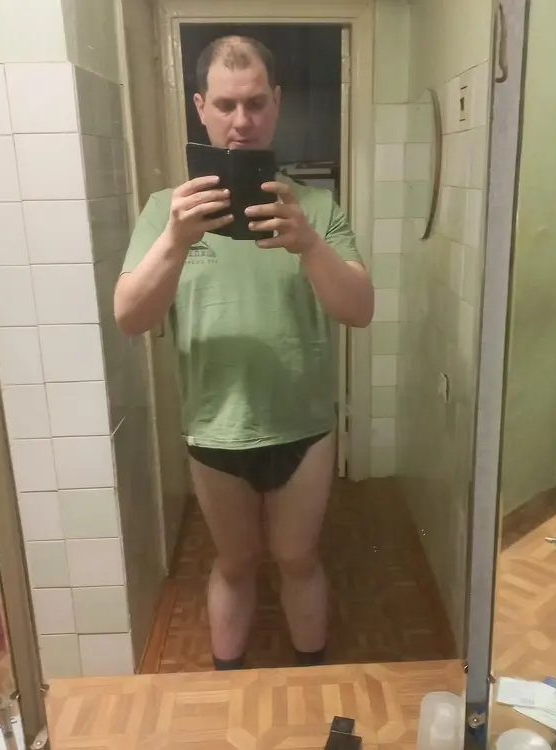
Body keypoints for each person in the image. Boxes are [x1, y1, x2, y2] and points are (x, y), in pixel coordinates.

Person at [114, 35, 374, 669]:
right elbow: (130, 317)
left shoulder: (314, 207)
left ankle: (311, 681)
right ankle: (227, 683)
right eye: (226, 104)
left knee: (298, 558)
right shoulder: (165, 212)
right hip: (214, 427)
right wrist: (175, 240)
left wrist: (309, 245)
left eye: (256, 103)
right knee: (234, 562)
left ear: (276, 104)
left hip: (304, 426)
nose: (241, 121)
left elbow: (359, 310)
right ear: (200, 107)